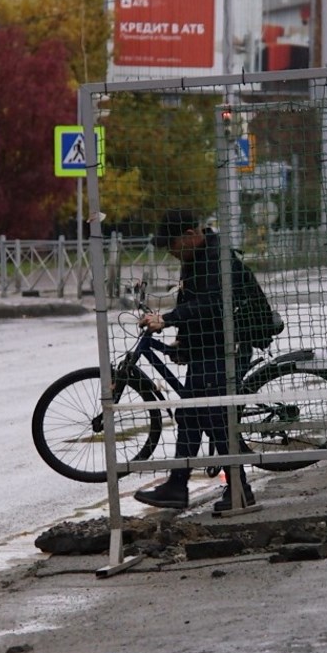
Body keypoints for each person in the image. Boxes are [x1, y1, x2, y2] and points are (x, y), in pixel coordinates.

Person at [133, 209, 257, 514]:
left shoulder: (216, 258)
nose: (171, 253)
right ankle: (177, 487)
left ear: (190, 235)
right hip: (210, 345)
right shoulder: (195, 258)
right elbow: (192, 302)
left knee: (213, 416)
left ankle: (240, 487)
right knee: (190, 414)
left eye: (173, 245)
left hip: (231, 345)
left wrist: (168, 320)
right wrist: (183, 340)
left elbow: (213, 303)